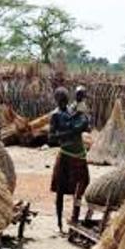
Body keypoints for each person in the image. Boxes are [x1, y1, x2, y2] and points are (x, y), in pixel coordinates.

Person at [50, 87, 90, 234]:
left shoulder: (73, 110)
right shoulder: (55, 115)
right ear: (57, 100)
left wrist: (82, 124)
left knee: (82, 185)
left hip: (79, 155)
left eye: (65, 100)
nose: (64, 102)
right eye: (61, 100)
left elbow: (86, 125)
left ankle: (74, 219)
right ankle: (60, 223)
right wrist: (70, 132)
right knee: (60, 190)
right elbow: (51, 137)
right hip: (66, 155)